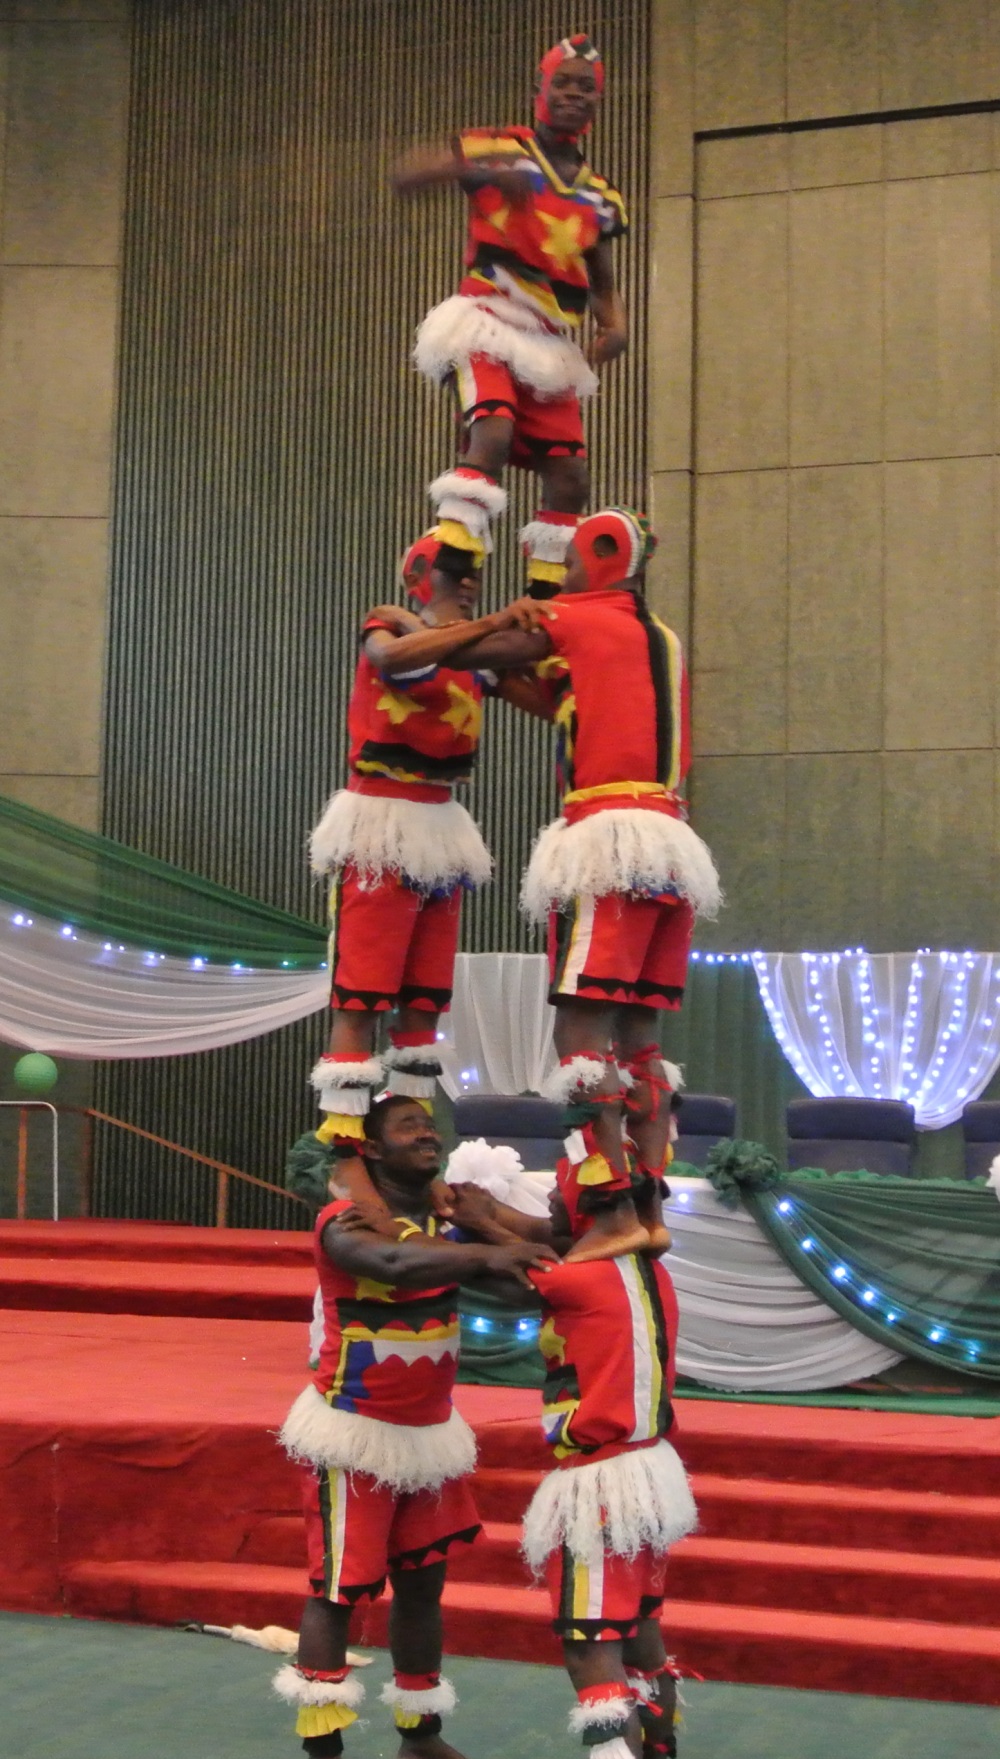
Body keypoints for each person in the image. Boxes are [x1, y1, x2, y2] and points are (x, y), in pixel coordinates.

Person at [438, 508, 722, 1260]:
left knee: (579, 1033)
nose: (560, 579)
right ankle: (648, 1207)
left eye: (569, 563)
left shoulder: (578, 616)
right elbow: (565, 703)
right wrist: (499, 677)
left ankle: (609, 1211)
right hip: (670, 844)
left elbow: (473, 647)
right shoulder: (659, 637)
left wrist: (432, 628)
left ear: (599, 555)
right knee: (641, 1039)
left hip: (607, 841)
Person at [275, 1094, 553, 1759]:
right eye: (409, 1126)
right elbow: (396, 1263)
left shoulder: (447, 1228)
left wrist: (486, 1227)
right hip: (353, 1434)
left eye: (431, 1125)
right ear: (370, 1149)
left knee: (424, 1590)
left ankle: (421, 1739)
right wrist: (490, 1248)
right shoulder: (343, 1223)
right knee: (338, 1592)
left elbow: (528, 1280)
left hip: (429, 1436)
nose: (428, 1133)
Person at [439, 1146, 697, 1759]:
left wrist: (474, 1217)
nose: (551, 1200)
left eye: (562, 1190)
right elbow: (543, 1242)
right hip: (648, 1474)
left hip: (601, 1482)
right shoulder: (646, 1269)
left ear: (593, 1207)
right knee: (641, 1636)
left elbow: (507, 1265)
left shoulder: (578, 1279)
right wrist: (488, 1215)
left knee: (589, 1643)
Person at [307, 533, 539, 1203]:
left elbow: (538, 681)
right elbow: (389, 657)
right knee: (360, 996)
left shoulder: (468, 650)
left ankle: (409, 1157)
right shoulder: (386, 626)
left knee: (425, 1001)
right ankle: (344, 1154)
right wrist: (486, 625)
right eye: (454, 568)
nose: (468, 580)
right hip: (382, 821)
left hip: (441, 826)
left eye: (475, 570)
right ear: (419, 576)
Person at [393, 34, 628, 596]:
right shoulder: (500, 147)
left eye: (586, 87)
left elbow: (599, 269)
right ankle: (452, 573)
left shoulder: (601, 196)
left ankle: (545, 599)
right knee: (492, 434)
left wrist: (615, 323)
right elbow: (405, 175)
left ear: (598, 101)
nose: (574, 94)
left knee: (570, 476)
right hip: (487, 319)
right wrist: (487, 175)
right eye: (562, 83)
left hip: (549, 341)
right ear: (539, 91)